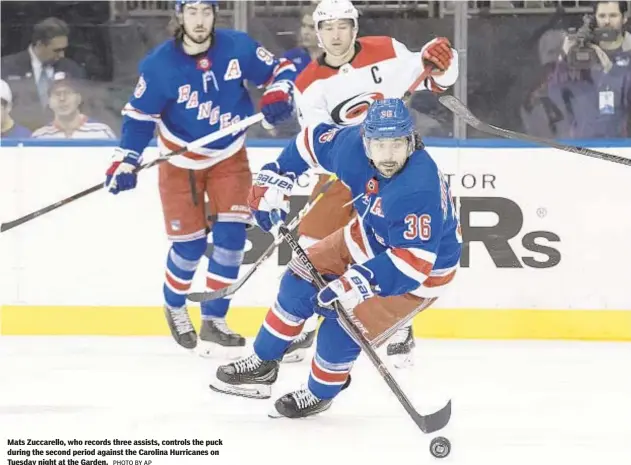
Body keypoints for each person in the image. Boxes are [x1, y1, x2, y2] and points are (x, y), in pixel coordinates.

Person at [209, 98, 462, 418]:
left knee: (341, 324)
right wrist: (277, 176)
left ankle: (319, 393)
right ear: (365, 141)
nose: (388, 156)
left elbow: (412, 264)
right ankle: (262, 363)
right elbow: (308, 142)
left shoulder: (417, 187)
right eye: (379, 145)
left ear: (411, 141)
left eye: (397, 144)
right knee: (299, 278)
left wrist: (357, 282)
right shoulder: (350, 147)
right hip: (370, 236)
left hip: (423, 269)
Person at [104, 0, 296, 357]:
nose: (199, 20)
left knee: (232, 240)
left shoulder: (238, 47)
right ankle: (175, 305)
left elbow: (282, 69)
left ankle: (214, 318)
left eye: (206, 11)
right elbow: (140, 117)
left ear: (214, 15)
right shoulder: (160, 65)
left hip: (228, 156)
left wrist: (277, 91)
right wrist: (126, 159)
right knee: (189, 247)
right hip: (181, 163)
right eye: (191, 11)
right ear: (179, 15)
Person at [282, 0, 458, 368]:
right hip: (346, 170)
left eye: (342, 26)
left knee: (389, 243)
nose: (336, 34)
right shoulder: (308, 84)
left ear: (354, 27)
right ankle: (304, 321)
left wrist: (444, 60)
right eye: (327, 27)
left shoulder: (388, 50)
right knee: (312, 246)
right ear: (318, 33)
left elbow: (437, 77)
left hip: (392, 165)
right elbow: (316, 139)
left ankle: (399, 324)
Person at [550, 1, 631, 138]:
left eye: (613, 15)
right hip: (583, 143)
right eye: (602, 16)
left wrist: (611, 72)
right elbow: (555, 93)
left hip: (621, 145)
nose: (607, 21)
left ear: (624, 18)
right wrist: (564, 58)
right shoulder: (581, 52)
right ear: (595, 18)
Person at [2, 17, 86, 130]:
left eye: (64, 49)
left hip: (61, 138)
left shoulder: (72, 70)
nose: (62, 55)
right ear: (40, 44)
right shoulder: (6, 67)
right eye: (57, 50)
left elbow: (82, 110)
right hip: (18, 140)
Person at [32, 73, 116, 139]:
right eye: (57, 94)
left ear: (78, 99)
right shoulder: (39, 137)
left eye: (68, 93)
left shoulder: (102, 132)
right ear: (49, 102)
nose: (62, 98)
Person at [282, 5, 321, 74]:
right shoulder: (290, 58)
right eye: (303, 26)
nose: (305, 32)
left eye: (312, 27)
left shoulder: (338, 61)